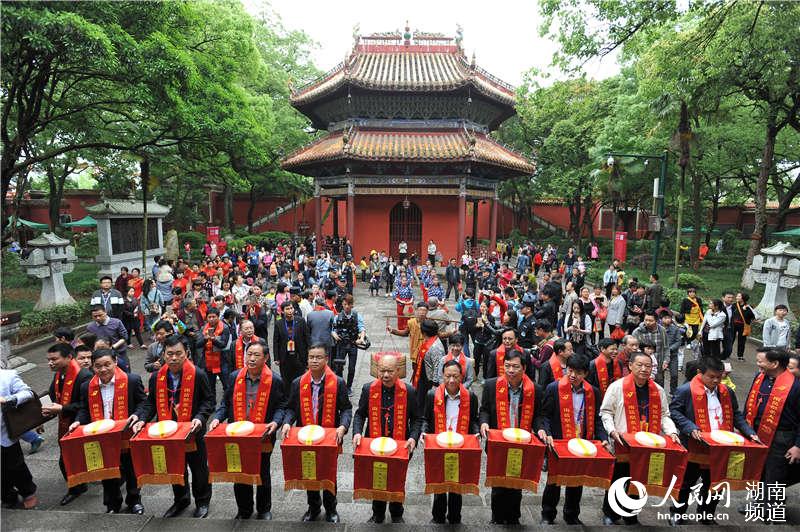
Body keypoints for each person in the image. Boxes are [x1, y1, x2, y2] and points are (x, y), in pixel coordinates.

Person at [668, 356, 759, 525]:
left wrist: (749, 432)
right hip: (695, 446)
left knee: (716, 483)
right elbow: (674, 412)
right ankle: (677, 513)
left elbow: (736, 415)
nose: (716, 380)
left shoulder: (727, 392)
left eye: (719, 377)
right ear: (699, 373)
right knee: (687, 483)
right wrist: (690, 427)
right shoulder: (685, 390)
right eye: (711, 377)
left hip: (721, 447)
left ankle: (707, 514)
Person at [132, 335, 214, 518]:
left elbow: (208, 401)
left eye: (178, 353)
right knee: (175, 467)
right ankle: (181, 500)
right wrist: (141, 419)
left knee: (199, 468)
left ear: (187, 353)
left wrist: (200, 418)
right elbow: (150, 403)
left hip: (193, 431)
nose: (174, 358)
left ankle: (202, 501)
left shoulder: (198, 374)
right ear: (163, 355)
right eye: (169, 354)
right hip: (168, 432)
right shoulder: (156, 378)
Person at [600, 351, 680, 525]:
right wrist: (612, 432)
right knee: (618, 479)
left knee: (639, 480)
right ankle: (610, 513)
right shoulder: (617, 387)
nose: (644, 369)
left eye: (648, 366)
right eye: (640, 365)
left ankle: (631, 515)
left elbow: (665, 415)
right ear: (630, 366)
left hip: (647, 444)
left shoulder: (657, 390)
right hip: (623, 443)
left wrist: (672, 431)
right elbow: (606, 412)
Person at [210, 340, 286, 520]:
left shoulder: (275, 380)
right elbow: (225, 402)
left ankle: (263, 509)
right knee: (239, 471)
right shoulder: (234, 376)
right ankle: (244, 509)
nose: (251, 359)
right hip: (237, 433)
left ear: (266, 358)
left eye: (256, 355)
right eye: (249, 354)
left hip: (263, 435)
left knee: (262, 471)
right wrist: (217, 418)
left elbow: (282, 405)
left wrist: (275, 423)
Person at [280, 345, 352, 523]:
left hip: (328, 437)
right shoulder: (298, 383)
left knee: (329, 473)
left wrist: (342, 427)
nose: (314, 360)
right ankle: (313, 508)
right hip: (306, 437)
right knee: (309, 471)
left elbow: (346, 409)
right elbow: (290, 408)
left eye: (318, 357)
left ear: (326, 359)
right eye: (311, 357)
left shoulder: (338, 382)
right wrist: (287, 422)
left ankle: (331, 509)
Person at [71, 349, 147, 514]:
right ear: (93, 367)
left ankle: (134, 500)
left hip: (125, 434)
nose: (103, 369)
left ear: (115, 362)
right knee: (106, 471)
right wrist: (77, 421)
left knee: (131, 469)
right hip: (101, 436)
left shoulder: (132, 380)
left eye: (107, 364)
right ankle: (112, 504)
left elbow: (143, 403)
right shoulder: (87, 387)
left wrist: (136, 415)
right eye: (98, 366)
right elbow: (84, 409)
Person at [537, 353, 607, 525]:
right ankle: (547, 514)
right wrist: (547, 432)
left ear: (585, 374)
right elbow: (545, 414)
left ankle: (571, 514)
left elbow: (597, 419)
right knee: (554, 480)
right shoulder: (554, 388)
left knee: (576, 480)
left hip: (581, 442)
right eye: (570, 370)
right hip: (559, 441)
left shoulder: (593, 392)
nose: (573, 375)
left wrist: (602, 437)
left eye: (578, 372)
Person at [352, 355, 422, 524]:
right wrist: (357, 432)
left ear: (398, 371)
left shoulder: (409, 391)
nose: (385, 375)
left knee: (397, 477)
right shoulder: (368, 389)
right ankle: (378, 513)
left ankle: (397, 512)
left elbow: (417, 419)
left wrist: (413, 438)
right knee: (378, 476)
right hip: (374, 444)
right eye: (382, 370)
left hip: (400, 444)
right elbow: (360, 414)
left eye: (390, 371)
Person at [479, 350, 542, 525]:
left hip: (522, 443)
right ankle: (496, 517)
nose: (510, 370)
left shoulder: (534, 389)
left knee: (516, 482)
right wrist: (484, 423)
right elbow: (484, 409)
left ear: (524, 368)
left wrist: (540, 429)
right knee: (498, 483)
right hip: (498, 442)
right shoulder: (492, 385)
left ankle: (513, 516)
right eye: (507, 366)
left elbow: (538, 416)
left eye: (515, 366)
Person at [741, 348, 800, 509]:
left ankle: (771, 509)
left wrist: (797, 446)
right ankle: (758, 504)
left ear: (774, 364)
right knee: (758, 469)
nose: (757, 364)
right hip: (757, 431)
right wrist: (743, 427)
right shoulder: (760, 377)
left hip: (782, 436)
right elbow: (749, 403)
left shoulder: (795, 386)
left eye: (760, 361)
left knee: (775, 473)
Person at [423, 359, 480, 524]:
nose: (452, 380)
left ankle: (455, 517)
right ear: (442, 375)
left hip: (460, 445)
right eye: (448, 376)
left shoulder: (470, 396)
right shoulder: (433, 395)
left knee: (457, 484)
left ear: (461, 376)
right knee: (439, 481)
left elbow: (474, 420)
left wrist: (476, 433)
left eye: (455, 376)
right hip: (439, 444)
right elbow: (426, 419)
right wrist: (424, 433)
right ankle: (438, 517)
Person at [43, 343, 93, 506]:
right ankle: (77, 487)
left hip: (82, 424)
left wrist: (63, 408)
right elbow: (52, 395)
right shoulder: (59, 374)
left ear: (69, 358)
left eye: (54, 359)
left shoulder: (83, 376)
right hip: (66, 422)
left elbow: (86, 405)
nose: (50, 363)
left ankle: (79, 487)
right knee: (67, 460)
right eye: (48, 360)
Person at [0, 367, 38, 509]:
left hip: (5, 432)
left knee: (15, 465)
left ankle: (28, 493)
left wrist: (9, 399)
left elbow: (28, 393)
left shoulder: (7, 376)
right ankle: (7, 496)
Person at [273, 301, 310, 395]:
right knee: (286, 379)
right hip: (285, 356)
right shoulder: (279, 323)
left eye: (291, 308)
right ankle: (287, 399)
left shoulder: (301, 321)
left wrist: (309, 354)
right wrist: (276, 358)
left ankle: (298, 397)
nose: (290, 311)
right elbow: (276, 341)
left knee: (300, 378)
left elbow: (307, 338)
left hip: (299, 355)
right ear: (282, 311)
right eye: (287, 309)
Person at [332, 294, 366, 394]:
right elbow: (333, 329)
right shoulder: (337, 317)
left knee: (351, 368)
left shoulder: (357, 316)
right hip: (341, 344)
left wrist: (362, 338)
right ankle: (340, 385)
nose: (347, 306)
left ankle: (349, 386)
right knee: (339, 367)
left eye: (349, 304)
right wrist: (333, 334)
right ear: (342, 304)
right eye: (345, 304)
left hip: (353, 344)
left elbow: (362, 328)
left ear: (352, 305)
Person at [410, 319, 446, 411]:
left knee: (423, 402)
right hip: (423, 374)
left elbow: (438, 367)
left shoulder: (435, 347)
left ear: (424, 332)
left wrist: (434, 385)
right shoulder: (430, 341)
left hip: (429, 381)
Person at [200, 307, 232, 403]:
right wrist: (205, 339)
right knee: (210, 385)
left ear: (218, 317)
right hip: (208, 361)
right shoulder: (203, 328)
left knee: (226, 384)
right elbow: (198, 344)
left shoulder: (225, 328)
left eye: (214, 317)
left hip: (222, 361)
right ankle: (212, 404)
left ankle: (227, 403)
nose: (211, 319)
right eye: (209, 317)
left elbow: (223, 344)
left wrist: (213, 339)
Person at [87, 305, 130, 373]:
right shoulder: (90, 327)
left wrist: (112, 347)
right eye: (95, 316)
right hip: (100, 356)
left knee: (125, 372)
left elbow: (124, 337)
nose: (98, 318)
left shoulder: (116, 322)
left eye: (100, 315)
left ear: (105, 312)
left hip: (119, 353)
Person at [387, 302, 427, 372]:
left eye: (424, 310)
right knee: (415, 370)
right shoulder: (411, 322)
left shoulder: (430, 323)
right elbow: (405, 333)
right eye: (420, 310)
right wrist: (393, 330)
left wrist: (450, 332)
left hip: (426, 350)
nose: (422, 312)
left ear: (427, 312)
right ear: (416, 310)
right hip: (415, 350)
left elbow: (438, 335)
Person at [632, 310, 669, 386]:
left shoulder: (662, 331)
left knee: (658, 388)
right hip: (642, 369)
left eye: (650, 320)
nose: (647, 322)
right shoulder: (637, 332)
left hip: (658, 367)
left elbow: (666, 347)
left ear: (656, 321)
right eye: (646, 320)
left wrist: (666, 360)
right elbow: (633, 351)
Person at [732, 292, 756, 361]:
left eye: (738, 296)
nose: (736, 297)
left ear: (743, 298)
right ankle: (727, 352)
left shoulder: (748, 307)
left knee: (741, 341)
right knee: (731, 339)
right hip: (733, 325)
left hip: (743, 326)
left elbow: (753, 317)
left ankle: (740, 356)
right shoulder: (734, 305)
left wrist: (746, 310)